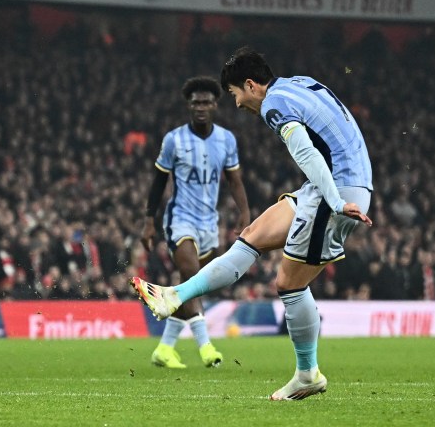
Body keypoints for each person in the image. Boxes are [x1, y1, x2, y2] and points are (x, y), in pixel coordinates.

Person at [132, 47, 373, 400]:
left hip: (337, 189)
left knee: (289, 284)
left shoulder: (274, 105)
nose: (237, 104)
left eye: (235, 95)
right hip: (332, 183)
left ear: (250, 85)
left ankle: (307, 374)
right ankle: (175, 295)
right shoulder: (300, 84)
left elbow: (305, 152)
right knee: (252, 237)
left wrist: (337, 200)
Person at [140, 77, 250, 369]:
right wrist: (149, 222)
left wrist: (245, 214)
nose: (201, 107)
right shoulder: (174, 140)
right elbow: (158, 181)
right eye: (195, 102)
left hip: (209, 224)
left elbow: (235, 180)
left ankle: (164, 349)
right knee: (190, 274)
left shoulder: (227, 140)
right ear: (189, 106)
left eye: (206, 102)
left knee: (190, 287)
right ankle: (205, 346)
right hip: (180, 219)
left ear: (215, 105)